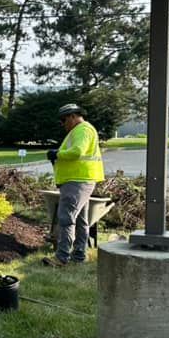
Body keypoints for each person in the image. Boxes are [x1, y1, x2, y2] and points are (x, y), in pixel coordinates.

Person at [43, 103, 104, 268]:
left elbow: (77, 152)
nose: (62, 124)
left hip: (77, 181)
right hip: (81, 180)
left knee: (65, 218)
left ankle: (61, 258)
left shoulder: (82, 130)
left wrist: (57, 154)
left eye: (64, 120)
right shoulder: (82, 130)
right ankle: (79, 256)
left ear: (72, 116)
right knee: (81, 220)